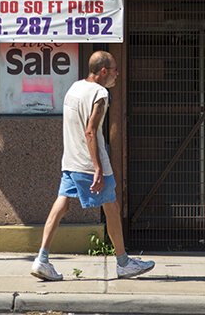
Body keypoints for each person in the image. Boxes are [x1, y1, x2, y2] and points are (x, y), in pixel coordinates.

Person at [31, 50, 155, 281]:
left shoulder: (74, 88)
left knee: (62, 205)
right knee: (112, 208)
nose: (118, 74)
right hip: (90, 163)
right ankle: (123, 262)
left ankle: (42, 259)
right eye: (115, 69)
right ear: (104, 71)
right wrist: (97, 167)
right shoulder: (100, 93)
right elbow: (90, 131)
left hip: (71, 160)